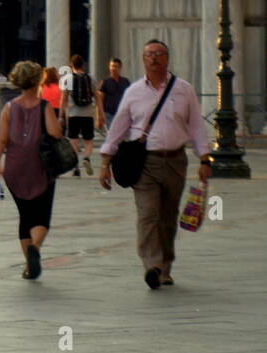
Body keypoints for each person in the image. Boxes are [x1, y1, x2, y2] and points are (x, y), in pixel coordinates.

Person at [98, 39, 212, 290]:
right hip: (145, 162)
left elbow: (196, 126)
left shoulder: (184, 89)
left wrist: (205, 158)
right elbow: (118, 128)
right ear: (142, 59)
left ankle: (166, 265)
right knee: (148, 215)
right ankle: (152, 266)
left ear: (167, 58)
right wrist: (105, 162)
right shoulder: (134, 91)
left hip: (175, 160)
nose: (154, 58)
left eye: (159, 54)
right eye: (149, 54)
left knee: (168, 217)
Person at [0, 61, 63, 279]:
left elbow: (1, 140)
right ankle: (35, 248)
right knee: (42, 215)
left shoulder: (9, 108)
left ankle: (29, 266)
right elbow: (55, 133)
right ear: (38, 80)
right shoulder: (44, 106)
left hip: (14, 167)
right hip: (41, 166)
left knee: (25, 216)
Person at [62, 53, 96, 177]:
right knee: (88, 140)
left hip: (73, 114)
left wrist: (61, 115)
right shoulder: (91, 78)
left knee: (73, 140)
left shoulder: (68, 79)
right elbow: (96, 96)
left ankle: (75, 166)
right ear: (83, 65)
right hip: (88, 113)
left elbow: (64, 98)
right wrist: (100, 113)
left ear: (72, 65)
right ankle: (86, 158)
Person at [96, 57, 130, 132]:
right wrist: (99, 116)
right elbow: (100, 100)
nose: (113, 68)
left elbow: (129, 99)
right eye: (111, 66)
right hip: (109, 114)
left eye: (115, 66)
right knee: (113, 134)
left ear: (120, 68)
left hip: (122, 114)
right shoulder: (105, 82)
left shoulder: (125, 82)